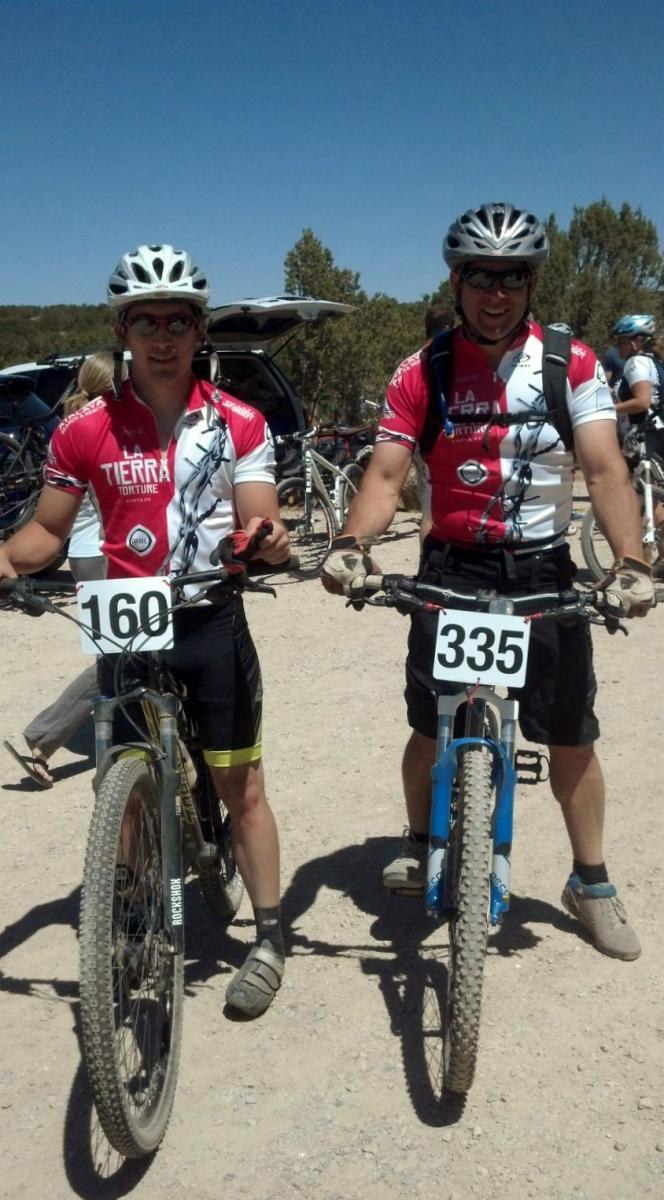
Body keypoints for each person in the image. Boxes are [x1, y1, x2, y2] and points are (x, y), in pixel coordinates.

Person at [322, 201, 654, 961]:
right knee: (428, 722)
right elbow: (384, 473)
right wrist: (350, 544)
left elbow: (604, 469)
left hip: (541, 565)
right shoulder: (425, 368)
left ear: (532, 283)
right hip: (453, 563)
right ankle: (417, 836)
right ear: (457, 280)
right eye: (480, 277)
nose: (495, 293)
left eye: (512, 277)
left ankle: (592, 881)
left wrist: (631, 561)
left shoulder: (573, 363)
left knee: (569, 736)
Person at [0, 243, 289, 1016]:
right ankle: (129, 918)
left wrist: (266, 539)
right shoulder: (85, 429)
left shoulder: (238, 421)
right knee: (120, 787)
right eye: (145, 320)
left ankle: (268, 935)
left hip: (207, 615)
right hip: (127, 625)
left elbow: (264, 513)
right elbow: (45, 535)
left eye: (178, 320)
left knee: (242, 786)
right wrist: (5, 559)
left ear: (201, 330)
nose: (162, 335)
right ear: (121, 330)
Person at [3, 355, 123, 786]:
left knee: (125, 653)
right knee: (122, 654)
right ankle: (42, 738)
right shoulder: (111, 427)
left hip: (87, 552)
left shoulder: (69, 428)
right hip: (109, 553)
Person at [611, 314, 664, 578]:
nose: (617, 347)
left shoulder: (636, 363)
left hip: (646, 435)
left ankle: (644, 559)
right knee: (650, 498)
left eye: (621, 341)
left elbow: (642, 402)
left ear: (636, 342)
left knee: (639, 496)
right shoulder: (654, 363)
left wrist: (607, 408)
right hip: (654, 433)